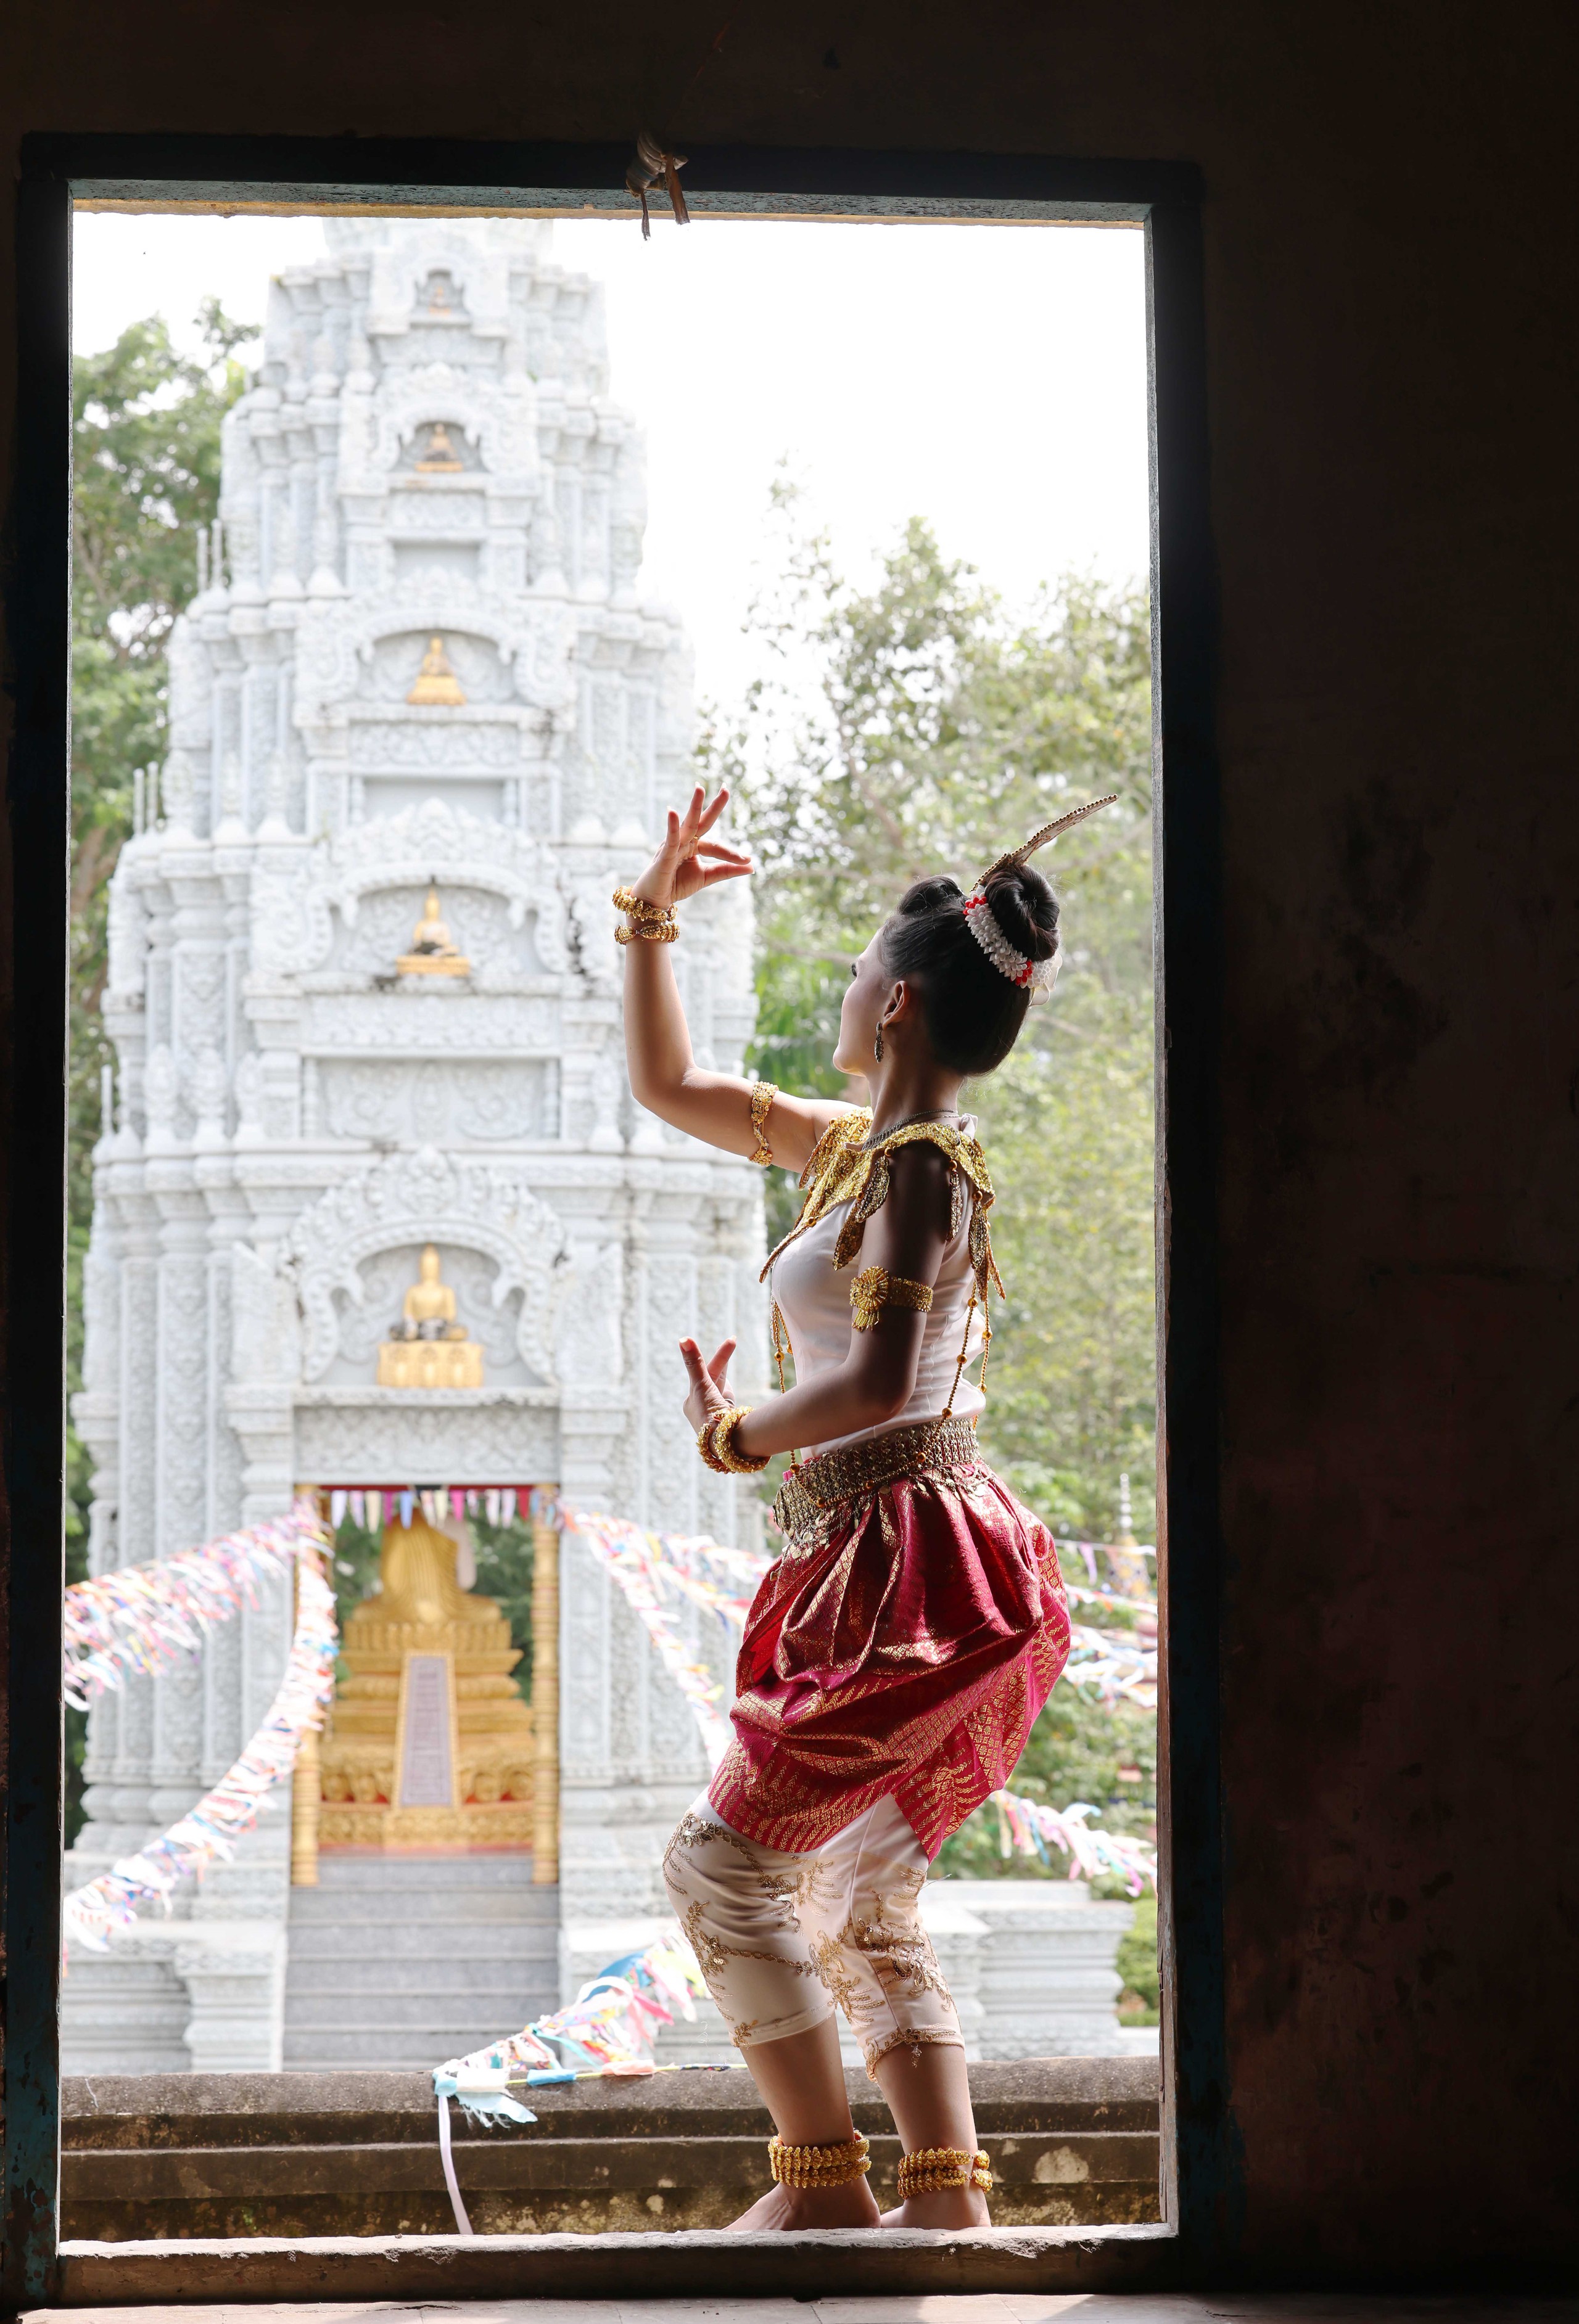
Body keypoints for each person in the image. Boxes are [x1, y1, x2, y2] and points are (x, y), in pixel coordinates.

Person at [618, 782, 1109, 2233]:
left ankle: (823, 2178)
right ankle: (943, 2199)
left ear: (892, 1005)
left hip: (910, 1565)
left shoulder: (912, 1172)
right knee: (861, 1887)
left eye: (848, 976)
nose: (839, 991)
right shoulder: (854, 1147)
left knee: (719, 1864)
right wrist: (651, 917)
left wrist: (730, 1433)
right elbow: (669, 1085)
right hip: (893, 1555)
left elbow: (878, 1379)